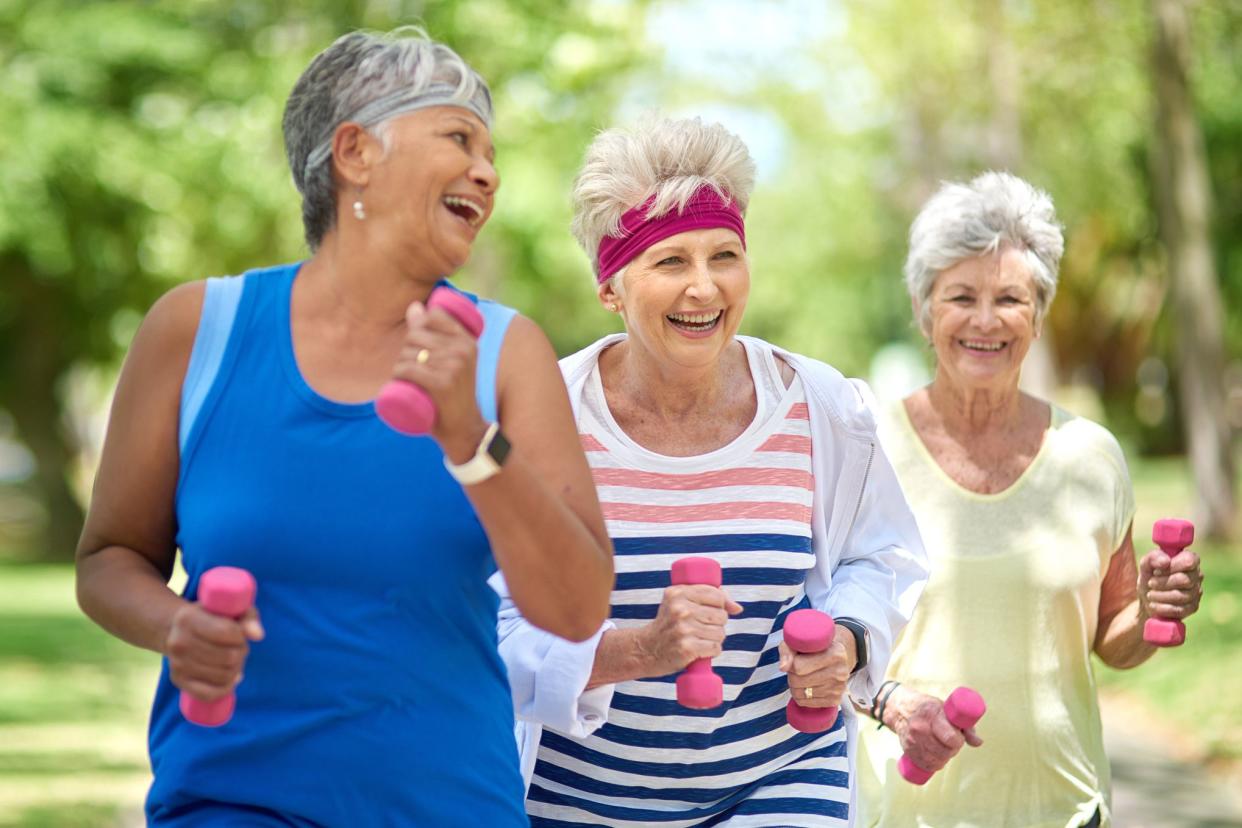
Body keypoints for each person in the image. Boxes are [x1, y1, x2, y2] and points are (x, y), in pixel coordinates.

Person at [74, 28, 613, 827]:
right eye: (459, 138)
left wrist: (469, 438)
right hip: (230, 800)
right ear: (355, 152)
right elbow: (109, 558)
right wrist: (177, 626)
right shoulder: (197, 331)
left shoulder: (504, 352)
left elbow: (575, 608)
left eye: (492, 153)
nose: (488, 173)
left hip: (449, 806)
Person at [492, 117, 930, 827]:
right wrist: (638, 651)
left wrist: (846, 638)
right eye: (670, 263)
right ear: (611, 285)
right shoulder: (543, 419)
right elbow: (490, 621)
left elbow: (880, 555)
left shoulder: (820, 405)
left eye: (724, 255)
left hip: (782, 776)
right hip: (579, 801)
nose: (705, 287)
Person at [856, 172, 1206, 828]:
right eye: (961, 296)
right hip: (900, 814)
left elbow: (1113, 639)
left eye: (1011, 298)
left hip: (1064, 810)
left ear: (1038, 315)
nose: (985, 320)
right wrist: (891, 704)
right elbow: (821, 641)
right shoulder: (867, 446)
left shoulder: (1092, 457)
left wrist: (1154, 612)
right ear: (924, 309)